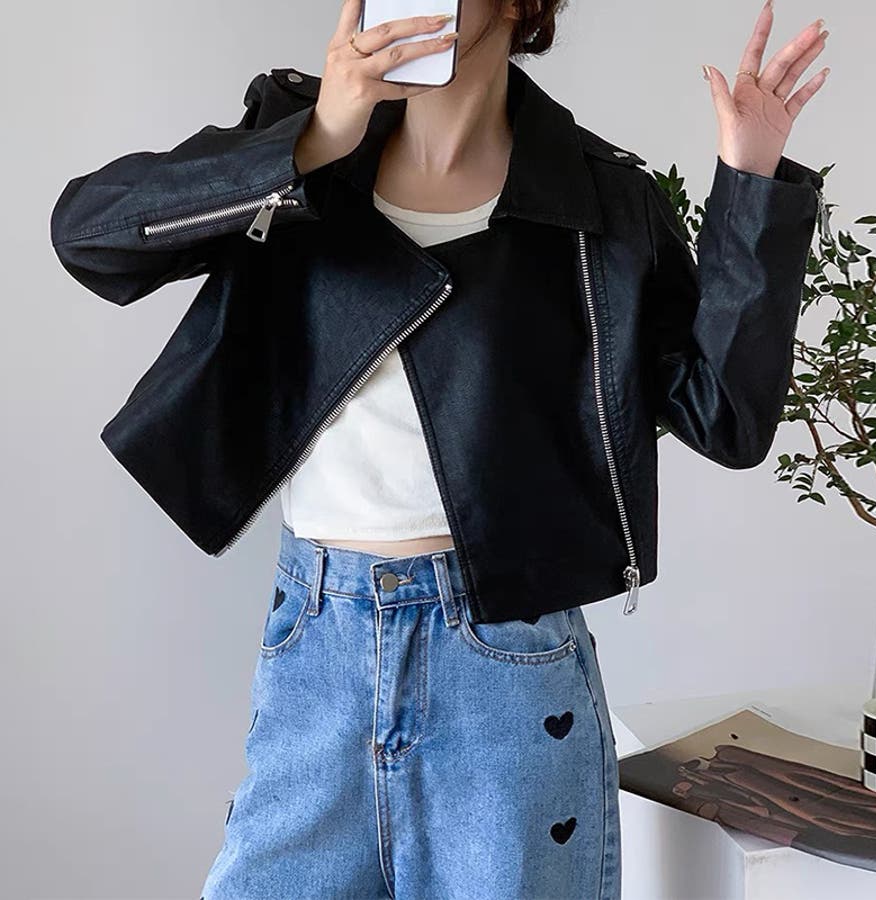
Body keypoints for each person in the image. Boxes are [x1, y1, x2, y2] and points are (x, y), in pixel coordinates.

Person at [49, 0, 830, 896]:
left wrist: (751, 184)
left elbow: (724, 416)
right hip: (318, 642)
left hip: (505, 666)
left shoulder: (599, 201)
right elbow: (88, 236)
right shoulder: (304, 146)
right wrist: (316, 138)